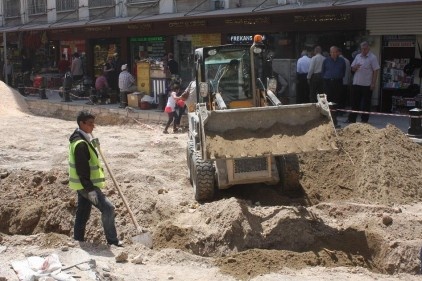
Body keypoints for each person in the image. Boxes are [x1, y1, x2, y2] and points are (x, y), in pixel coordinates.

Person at [68, 110, 123, 247]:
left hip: (82, 185)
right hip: (86, 185)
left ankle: (78, 240)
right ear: (82, 123)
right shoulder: (80, 144)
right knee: (108, 208)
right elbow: (82, 169)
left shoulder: (81, 138)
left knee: (83, 212)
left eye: (94, 123)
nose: (94, 126)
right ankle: (113, 241)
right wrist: (90, 190)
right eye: (90, 123)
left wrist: (93, 145)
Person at [347, 41, 380, 123]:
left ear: (368, 48)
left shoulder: (372, 57)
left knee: (366, 103)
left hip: (367, 84)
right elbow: (352, 68)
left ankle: (364, 120)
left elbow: (376, 70)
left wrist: (373, 83)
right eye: (362, 49)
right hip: (356, 83)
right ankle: (352, 119)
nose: (363, 51)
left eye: (365, 49)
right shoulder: (358, 56)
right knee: (355, 102)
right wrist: (355, 67)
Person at [339, 48, 351, 113]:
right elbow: (349, 72)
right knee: (343, 97)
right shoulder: (347, 61)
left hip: (338, 82)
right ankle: (343, 110)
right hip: (346, 81)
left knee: (338, 97)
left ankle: (338, 110)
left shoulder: (337, 60)